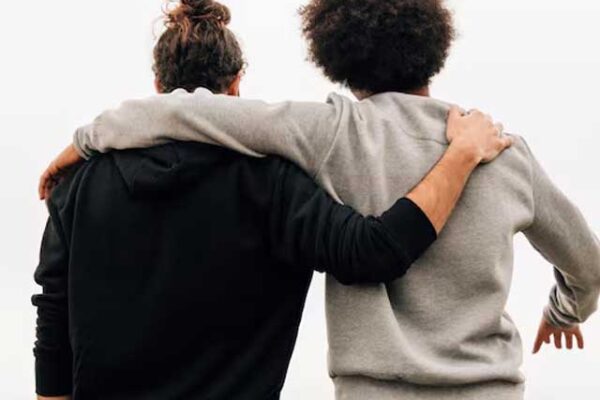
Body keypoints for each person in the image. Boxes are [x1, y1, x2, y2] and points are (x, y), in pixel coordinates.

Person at [33, 1, 511, 400]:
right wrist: (459, 157)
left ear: (158, 86)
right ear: (236, 85)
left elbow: (52, 316)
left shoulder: (78, 187)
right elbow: (376, 251)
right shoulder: (274, 186)